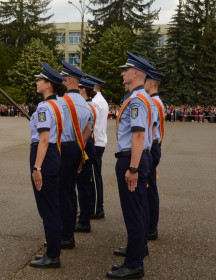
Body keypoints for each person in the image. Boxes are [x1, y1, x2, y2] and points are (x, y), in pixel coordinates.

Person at [106, 52, 154, 279]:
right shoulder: (140, 97)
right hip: (136, 157)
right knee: (139, 209)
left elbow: (138, 136)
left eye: (126, 70)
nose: (122, 73)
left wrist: (133, 168)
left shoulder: (137, 100)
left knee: (134, 212)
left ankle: (133, 264)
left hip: (131, 158)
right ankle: (136, 253)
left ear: (136, 73)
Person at [28, 62, 66, 269]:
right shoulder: (58, 104)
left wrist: (37, 168)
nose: (37, 82)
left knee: (47, 207)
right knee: (53, 204)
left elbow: (43, 139)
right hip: (54, 153)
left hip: (44, 154)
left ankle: (52, 255)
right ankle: (53, 249)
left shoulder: (44, 107)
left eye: (40, 80)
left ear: (48, 85)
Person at [57, 61, 92, 249]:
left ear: (69, 79)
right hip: (76, 148)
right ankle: (68, 234)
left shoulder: (61, 102)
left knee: (61, 193)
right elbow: (87, 130)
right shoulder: (86, 104)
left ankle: (64, 235)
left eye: (63, 78)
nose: (61, 80)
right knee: (70, 192)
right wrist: (80, 150)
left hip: (62, 148)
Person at [144, 69, 166, 241]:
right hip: (153, 146)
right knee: (149, 188)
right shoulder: (155, 101)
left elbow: (151, 130)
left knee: (149, 189)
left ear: (151, 83)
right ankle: (150, 225)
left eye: (145, 81)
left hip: (151, 147)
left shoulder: (154, 102)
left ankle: (151, 227)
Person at [75, 78, 98, 233]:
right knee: (85, 184)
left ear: (83, 90)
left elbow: (86, 131)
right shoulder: (89, 105)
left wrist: (78, 151)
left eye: (79, 87)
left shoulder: (86, 106)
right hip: (88, 143)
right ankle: (84, 215)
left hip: (85, 144)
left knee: (83, 184)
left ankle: (84, 220)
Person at [88, 74, 108, 219]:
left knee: (94, 177)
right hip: (100, 141)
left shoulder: (95, 102)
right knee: (95, 176)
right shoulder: (102, 100)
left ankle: (96, 209)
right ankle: (95, 206)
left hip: (95, 141)